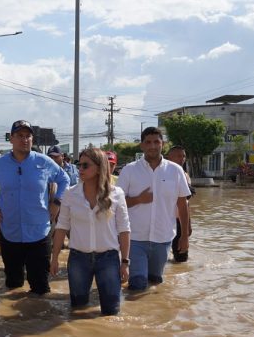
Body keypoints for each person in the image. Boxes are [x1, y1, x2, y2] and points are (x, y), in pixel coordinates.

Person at [0, 120, 70, 294]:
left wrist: (57, 202)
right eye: (20, 136)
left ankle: (36, 318)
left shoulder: (44, 162)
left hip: (39, 233)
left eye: (28, 136)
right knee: (12, 286)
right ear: (11, 139)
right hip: (10, 233)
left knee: (40, 289)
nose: (25, 139)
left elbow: (64, 179)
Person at [51, 148, 130, 315]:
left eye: (85, 165)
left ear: (100, 167)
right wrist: (55, 258)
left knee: (111, 312)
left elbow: (124, 229)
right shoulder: (70, 194)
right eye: (79, 165)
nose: (80, 169)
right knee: (77, 310)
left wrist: (125, 262)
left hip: (109, 259)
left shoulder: (117, 194)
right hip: (78, 259)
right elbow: (61, 227)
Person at [115, 127, 191, 291]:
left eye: (156, 142)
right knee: (138, 284)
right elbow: (116, 204)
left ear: (162, 144)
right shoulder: (129, 170)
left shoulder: (175, 170)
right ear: (141, 145)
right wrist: (138, 199)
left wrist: (184, 236)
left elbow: (182, 204)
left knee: (155, 281)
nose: (152, 146)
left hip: (163, 238)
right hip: (135, 238)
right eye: (148, 142)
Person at [166, 146, 194, 263]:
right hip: (165, 220)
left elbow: (186, 203)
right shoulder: (162, 174)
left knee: (181, 259)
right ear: (169, 157)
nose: (182, 159)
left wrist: (188, 224)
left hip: (179, 221)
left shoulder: (185, 175)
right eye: (178, 156)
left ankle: (179, 280)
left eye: (184, 156)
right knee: (159, 257)